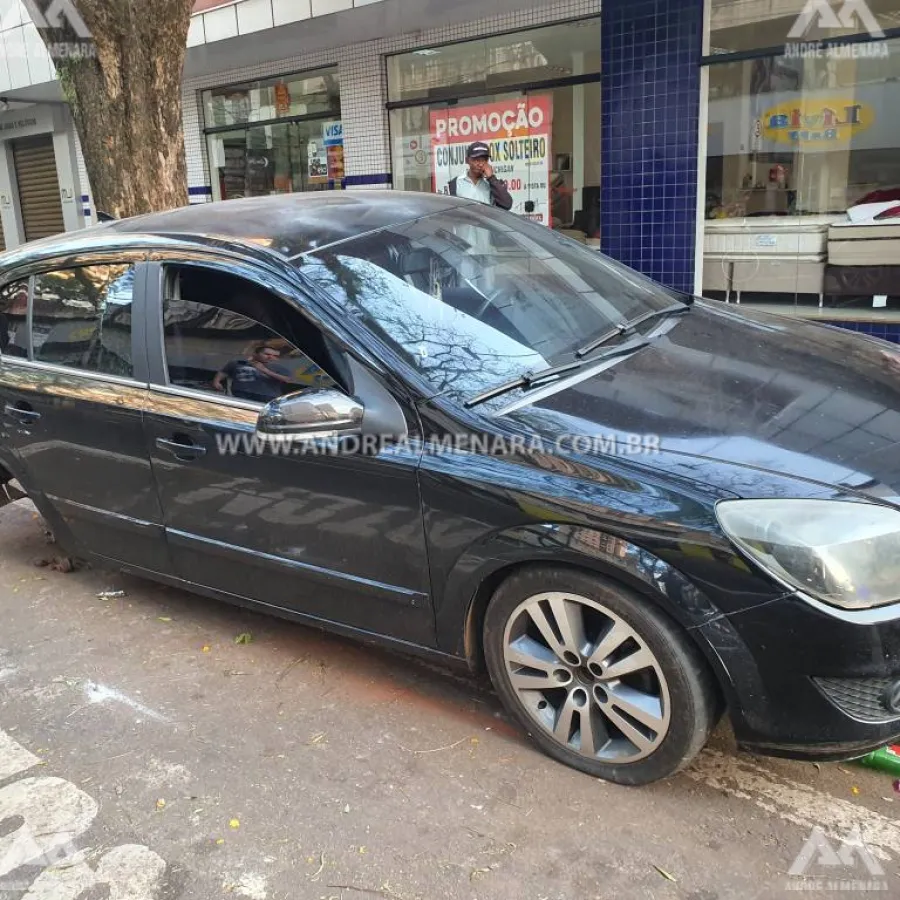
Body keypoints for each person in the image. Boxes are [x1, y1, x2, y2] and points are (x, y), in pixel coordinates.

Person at [213, 345, 294, 402]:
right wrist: (216, 381)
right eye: (267, 354)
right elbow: (224, 371)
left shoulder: (280, 367)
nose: (270, 357)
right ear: (255, 354)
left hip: (267, 398)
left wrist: (265, 371)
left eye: (274, 355)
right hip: (240, 395)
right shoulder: (239, 362)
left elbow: (288, 380)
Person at [446, 142, 513, 210]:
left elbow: (507, 205)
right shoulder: (455, 183)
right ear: (467, 160)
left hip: (486, 220)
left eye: (484, 160)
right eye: (476, 160)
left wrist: (491, 178)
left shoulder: (493, 183)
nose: (481, 164)